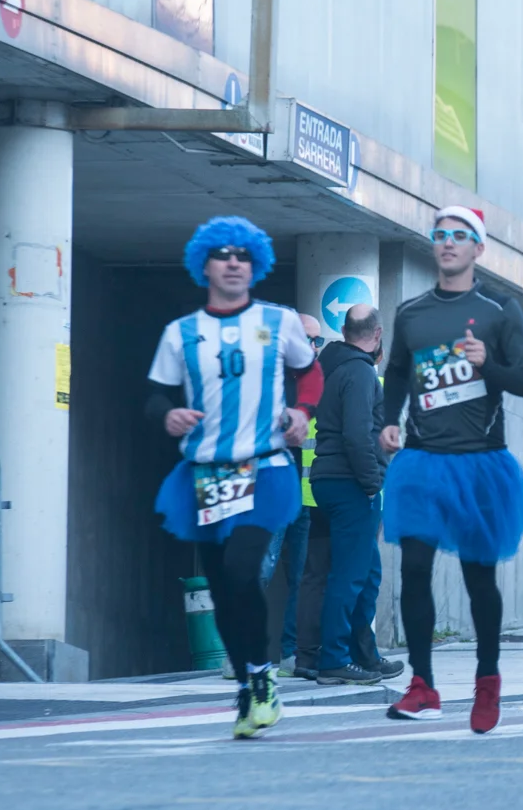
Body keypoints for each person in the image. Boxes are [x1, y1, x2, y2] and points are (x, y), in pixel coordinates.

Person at [147, 217, 314, 739]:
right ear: (206, 266)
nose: (234, 262)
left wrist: (302, 411)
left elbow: (310, 371)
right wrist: (168, 415)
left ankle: (263, 679)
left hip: (266, 466)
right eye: (223, 254)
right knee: (223, 586)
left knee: (244, 568)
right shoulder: (180, 333)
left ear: (255, 264)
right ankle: (246, 684)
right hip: (207, 475)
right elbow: (155, 394)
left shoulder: (278, 321)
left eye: (243, 254)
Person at [380, 205, 523, 733]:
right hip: (423, 461)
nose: (448, 242)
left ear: (478, 248)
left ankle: (487, 681)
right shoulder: (411, 313)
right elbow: (396, 372)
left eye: (459, 235)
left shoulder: (499, 311)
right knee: (414, 569)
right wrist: (389, 420)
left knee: (479, 578)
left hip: (478, 464)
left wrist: (486, 365)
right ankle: (422, 685)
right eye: (440, 234)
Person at [300, 304, 396, 685]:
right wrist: (372, 484)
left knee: (366, 573)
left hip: (326, 481)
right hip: (351, 485)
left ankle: (363, 654)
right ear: (377, 334)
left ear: (343, 331)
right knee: (350, 576)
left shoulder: (328, 366)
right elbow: (357, 435)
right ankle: (335, 660)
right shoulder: (359, 371)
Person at [266, 312, 330, 672]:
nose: (313, 346)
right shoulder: (267, 379)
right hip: (271, 492)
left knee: (303, 577)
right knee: (259, 569)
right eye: (307, 338)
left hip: (305, 495)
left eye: (318, 340)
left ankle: (291, 653)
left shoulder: (317, 381)